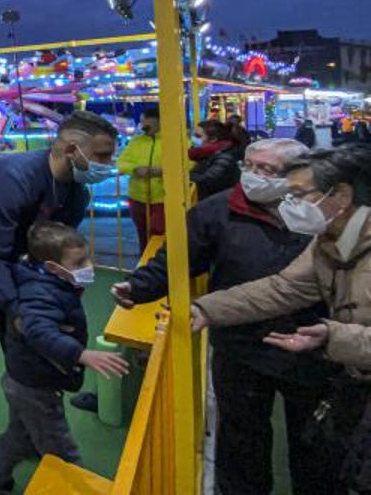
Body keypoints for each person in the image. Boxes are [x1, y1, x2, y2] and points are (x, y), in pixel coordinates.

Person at [114, 139, 340, 494]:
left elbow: (297, 286)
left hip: (313, 345)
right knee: (241, 440)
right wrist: (140, 287)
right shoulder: (218, 210)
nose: (252, 176)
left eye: (265, 169)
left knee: (316, 444)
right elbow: (180, 258)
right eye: (248, 166)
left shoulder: (324, 214)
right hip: (240, 344)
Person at [0, 109, 119, 479]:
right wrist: (17, 310)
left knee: (27, 349)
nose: (109, 164)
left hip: (20, 255)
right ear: (73, 149)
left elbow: (56, 250)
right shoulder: (13, 178)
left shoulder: (76, 192)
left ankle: (30, 432)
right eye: (102, 155)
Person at [192, 146, 371, 492]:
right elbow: (283, 288)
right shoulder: (329, 241)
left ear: (342, 195)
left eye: (299, 195)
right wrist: (206, 309)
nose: (290, 204)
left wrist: (332, 337)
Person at [0, 222, 129, 495]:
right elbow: (37, 330)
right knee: (62, 454)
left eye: (87, 258)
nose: (88, 266)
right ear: (53, 268)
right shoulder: (39, 293)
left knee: (18, 438)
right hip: (34, 387)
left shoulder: (51, 282)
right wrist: (81, 354)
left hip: (26, 380)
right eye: (79, 262)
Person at [116, 107, 164, 249]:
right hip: (137, 198)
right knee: (142, 235)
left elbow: (188, 163)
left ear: (158, 120)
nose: (142, 125)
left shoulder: (176, 140)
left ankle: (161, 265)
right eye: (141, 121)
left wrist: (163, 171)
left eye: (145, 121)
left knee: (158, 234)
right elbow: (121, 162)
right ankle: (145, 265)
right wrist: (135, 170)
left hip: (163, 198)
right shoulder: (136, 141)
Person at [189, 119, 241, 200]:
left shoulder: (225, 157)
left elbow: (206, 181)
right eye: (192, 135)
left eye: (198, 136)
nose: (193, 139)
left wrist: (180, 174)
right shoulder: (206, 154)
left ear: (213, 139)